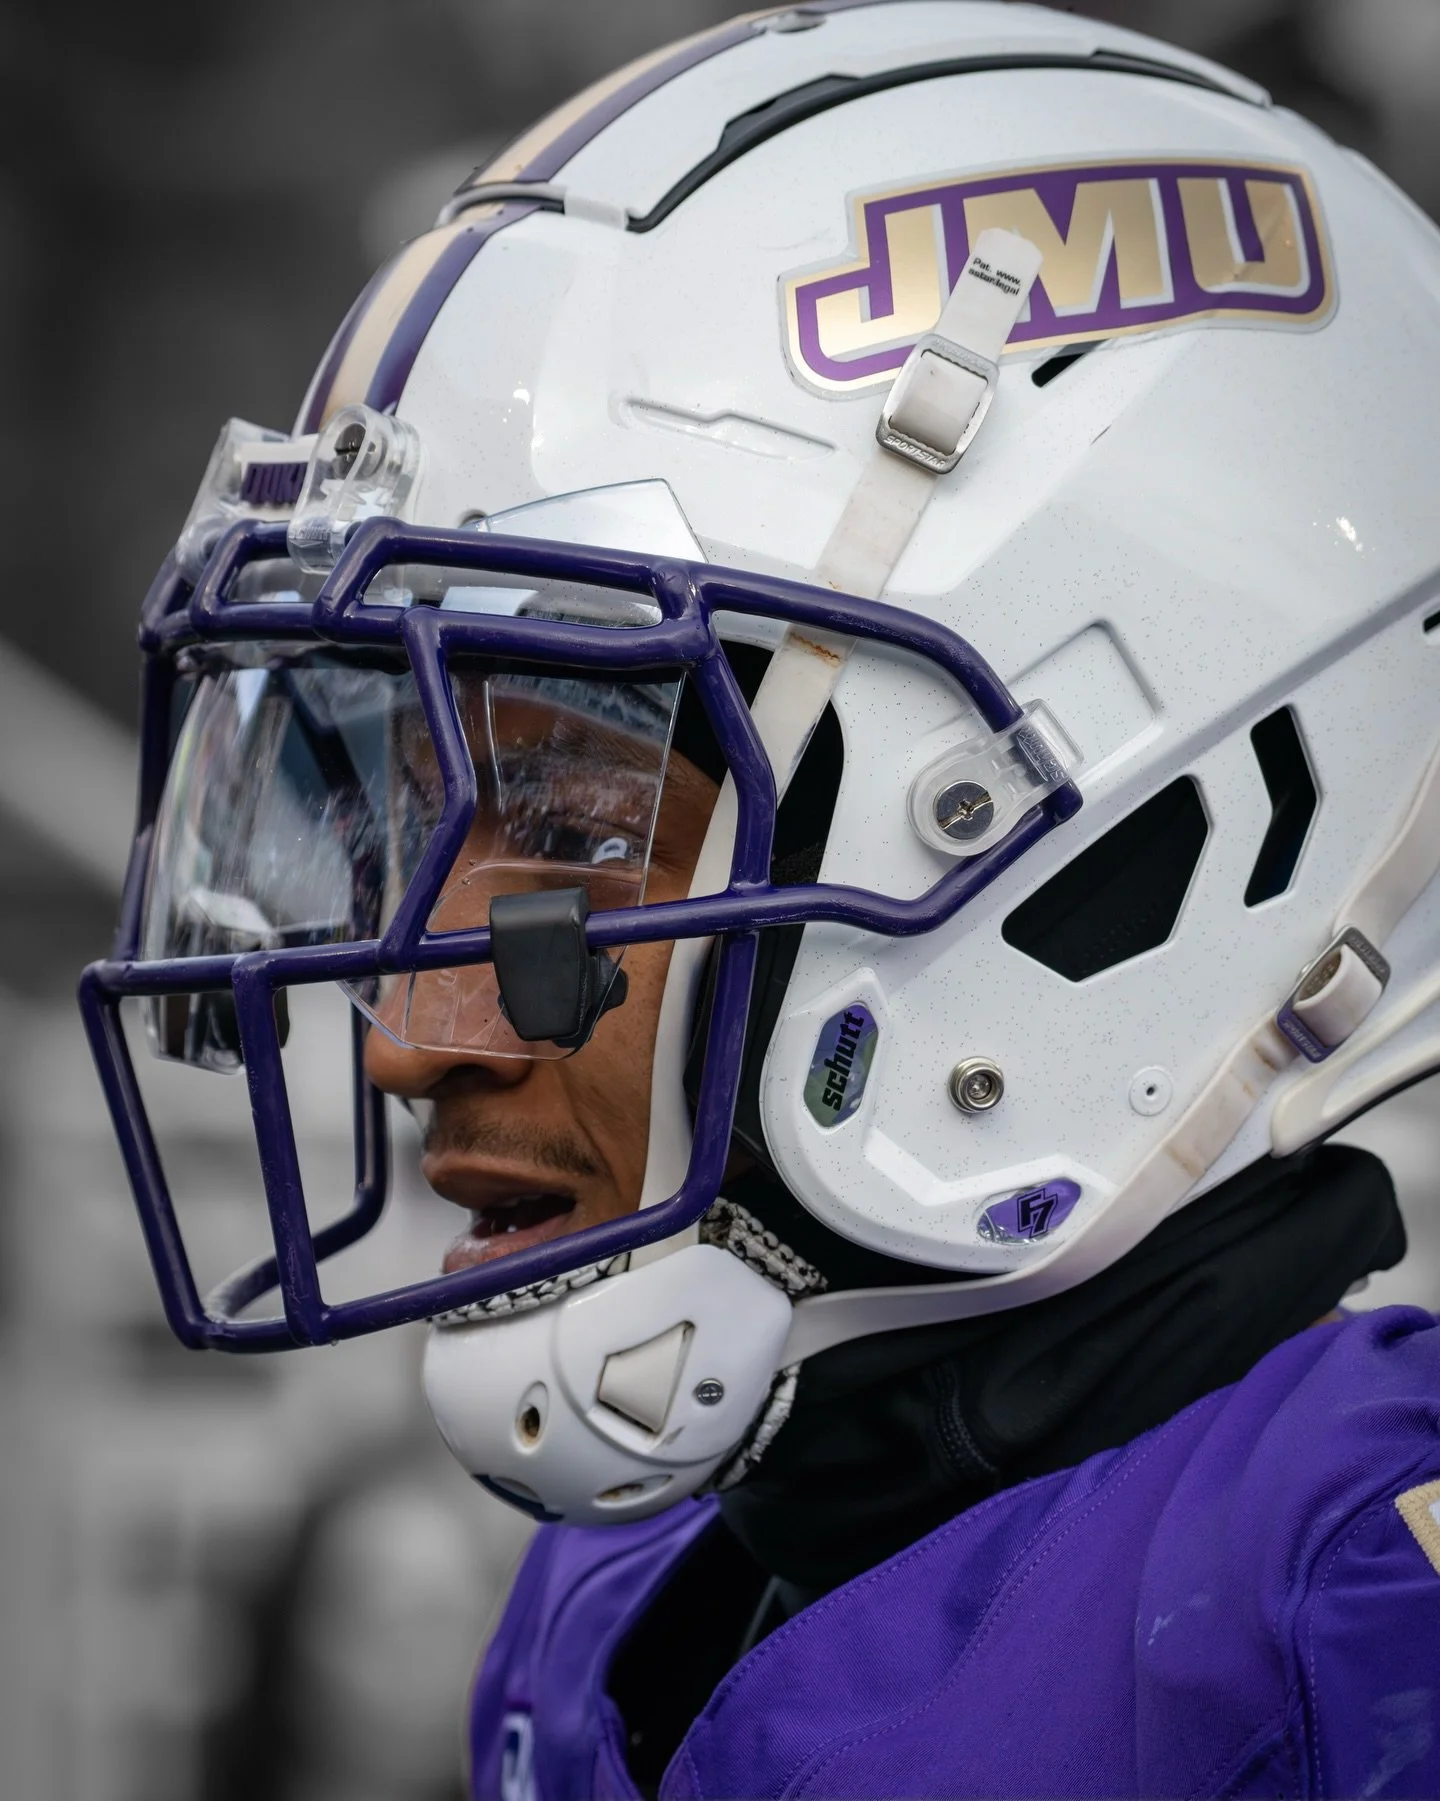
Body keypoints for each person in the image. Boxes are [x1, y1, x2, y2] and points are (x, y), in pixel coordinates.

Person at [81, 3, 1440, 1797]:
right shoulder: (616, 1595)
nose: (412, 1036)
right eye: (406, 818)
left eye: (573, 819)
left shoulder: (1351, 1623)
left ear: (1128, 831)